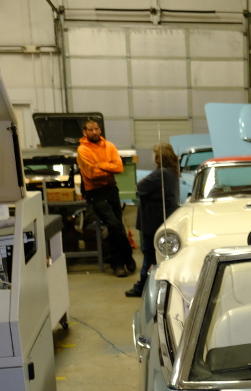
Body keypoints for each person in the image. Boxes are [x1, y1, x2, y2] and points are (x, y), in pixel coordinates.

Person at [77, 118, 136, 277]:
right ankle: (125, 257)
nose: (94, 132)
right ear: (85, 132)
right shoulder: (83, 150)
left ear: (100, 130)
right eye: (90, 130)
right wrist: (107, 168)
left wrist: (99, 165)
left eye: (96, 129)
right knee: (114, 224)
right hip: (95, 193)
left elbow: (119, 167)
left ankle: (119, 264)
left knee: (117, 226)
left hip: (111, 189)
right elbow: (90, 174)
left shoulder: (109, 146)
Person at [126, 143, 180, 297]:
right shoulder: (172, 172)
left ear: (158, 157)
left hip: (152, 221)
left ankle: (141, 288)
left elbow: (140, 187)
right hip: (162, 219)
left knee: (148, 256)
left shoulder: (160, 173)